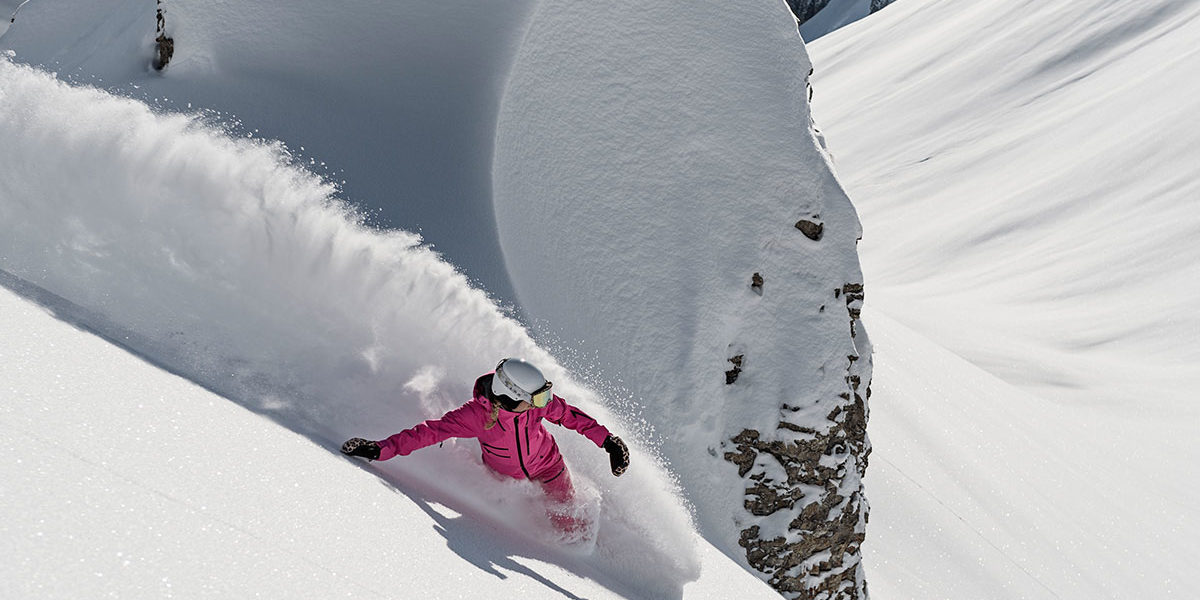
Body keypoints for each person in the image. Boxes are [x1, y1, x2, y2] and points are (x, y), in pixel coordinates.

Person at [341, 358, 630, 531]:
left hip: (549, 466)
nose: (544, 404)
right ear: (510, 396)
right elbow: (428, 432)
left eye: (544, 397)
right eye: (538, 398)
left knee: (566, 518)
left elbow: (571, 417)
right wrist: (381, 449)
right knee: (520, 511)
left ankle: (582, 555)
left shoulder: (535, 406)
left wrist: (608, 442)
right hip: (504, 476)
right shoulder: (474, 416)